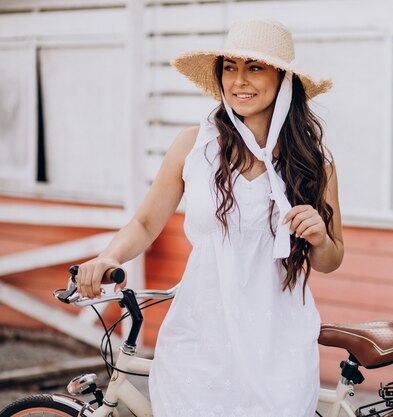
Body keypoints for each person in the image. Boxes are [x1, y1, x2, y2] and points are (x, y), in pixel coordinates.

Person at [76, 17, 344, 417]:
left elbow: (332, 260)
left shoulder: (313, 161)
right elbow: (145, 223)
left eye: (255, 67)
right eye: (230, 68)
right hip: (200, 334)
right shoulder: (194, 145)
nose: (239, 81)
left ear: (283, 78)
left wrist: (320, 238)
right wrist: (109, 256)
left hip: (277, 337)